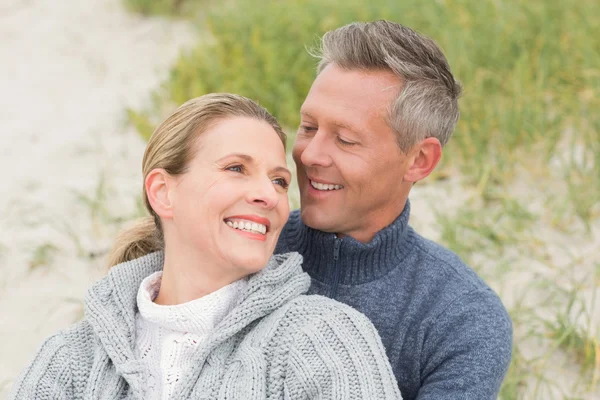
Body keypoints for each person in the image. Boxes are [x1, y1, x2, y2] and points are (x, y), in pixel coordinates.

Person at [10, 94, 402, 399]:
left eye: (280, 181)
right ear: (163, 193)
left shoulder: (321, 337)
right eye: (236, 169)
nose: (268, 194)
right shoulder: (70, 359)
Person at [275, 21, 513, 400]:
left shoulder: (463, 320)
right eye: (308, 126)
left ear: (419, 160)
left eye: (345, 139)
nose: (310, 154)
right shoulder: (243, 247)